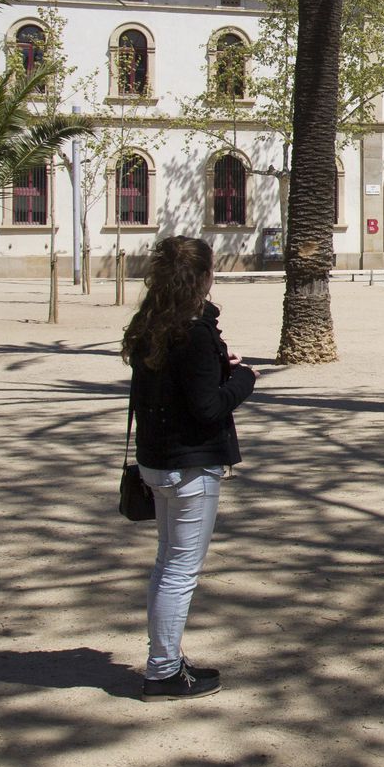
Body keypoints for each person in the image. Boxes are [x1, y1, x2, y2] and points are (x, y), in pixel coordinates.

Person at [122, 236, 258, 701]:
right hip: (189, 467)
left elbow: (169, 391)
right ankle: (161, 669)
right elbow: (206, 407)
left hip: (157, 460)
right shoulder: (193, 332)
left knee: (167, 565)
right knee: (180, 570)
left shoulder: (151, 326)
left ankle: (167, 658)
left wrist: (220, 366)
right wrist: (243, 379)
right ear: (201, 278)